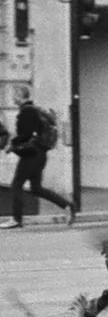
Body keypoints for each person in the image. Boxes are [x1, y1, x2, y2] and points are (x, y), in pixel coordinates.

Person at [7, 92, 71, 226]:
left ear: (22, 97)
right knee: (36, 188)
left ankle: (16, 219)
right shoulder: (35, 110)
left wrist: (12, 144)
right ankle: (68, 206)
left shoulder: (26, 111)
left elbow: (25, 134)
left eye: (15, 96)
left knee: (16, 185)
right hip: (40, 154)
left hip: (31, 154)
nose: (13, 98)